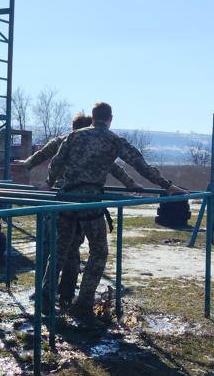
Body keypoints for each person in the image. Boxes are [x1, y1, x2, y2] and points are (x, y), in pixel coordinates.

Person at [46, 102, 187, 322]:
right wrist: (166, 185)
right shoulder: (113, 140)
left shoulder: (74, 137)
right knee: (99, 251)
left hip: (65, 199)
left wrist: (49, 183)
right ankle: (82, 304)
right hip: (90, 202)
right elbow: (140, 164)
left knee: (60, 249)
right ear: (110, 118)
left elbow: (56, 161)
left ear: (93, 117)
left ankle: (46, 298)